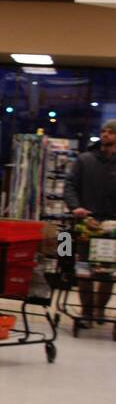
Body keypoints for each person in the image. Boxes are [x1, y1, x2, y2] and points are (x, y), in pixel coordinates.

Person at [64, 119, 116, 325]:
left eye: (111, 132)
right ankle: (87, 312)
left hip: (112, 227)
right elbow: (70, 185)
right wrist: (76, 207)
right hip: (86, 223)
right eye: (103, 131)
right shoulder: (84, 160)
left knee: (107, 272)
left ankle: (100, 311)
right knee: (84, 270)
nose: (105, 134)